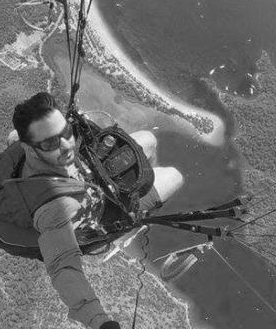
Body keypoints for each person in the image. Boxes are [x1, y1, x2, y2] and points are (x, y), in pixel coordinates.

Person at [11, 92, 183, 329]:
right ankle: (139, 210)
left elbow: (18, 137)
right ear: (29, 148)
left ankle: (142, 191)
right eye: (51, 143)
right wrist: (100, 322)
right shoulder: (52, 207)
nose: (65, 145)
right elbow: (63, 267)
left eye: (65, 132)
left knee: (148, 139)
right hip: (104, 211)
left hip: (94, 174)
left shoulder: (30, 146)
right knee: (175, 176)